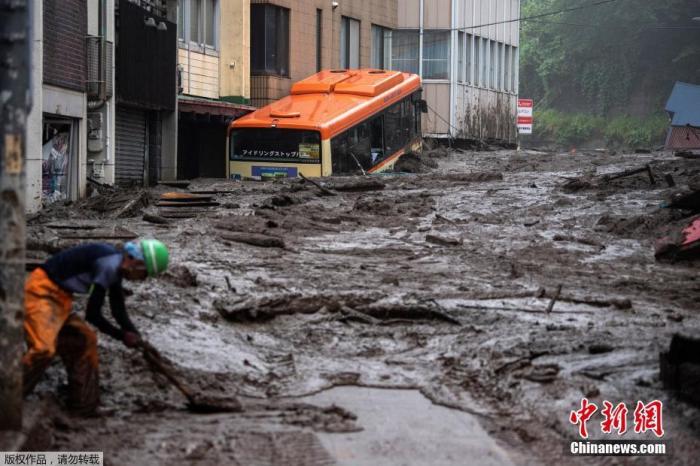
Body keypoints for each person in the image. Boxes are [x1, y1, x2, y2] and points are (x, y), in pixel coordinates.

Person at [22, 239, 169, 414]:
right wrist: (122, 336)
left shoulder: (115, 263)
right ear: (136, 262)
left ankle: (84, 405)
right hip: (40, 292)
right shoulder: (109, 266)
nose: (141, 279)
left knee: (85, 340)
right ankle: (9, 394)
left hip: (61, 298)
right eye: (144, 274)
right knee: (43, 349)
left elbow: (118, 310)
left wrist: (137, 338)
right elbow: (93, 315)